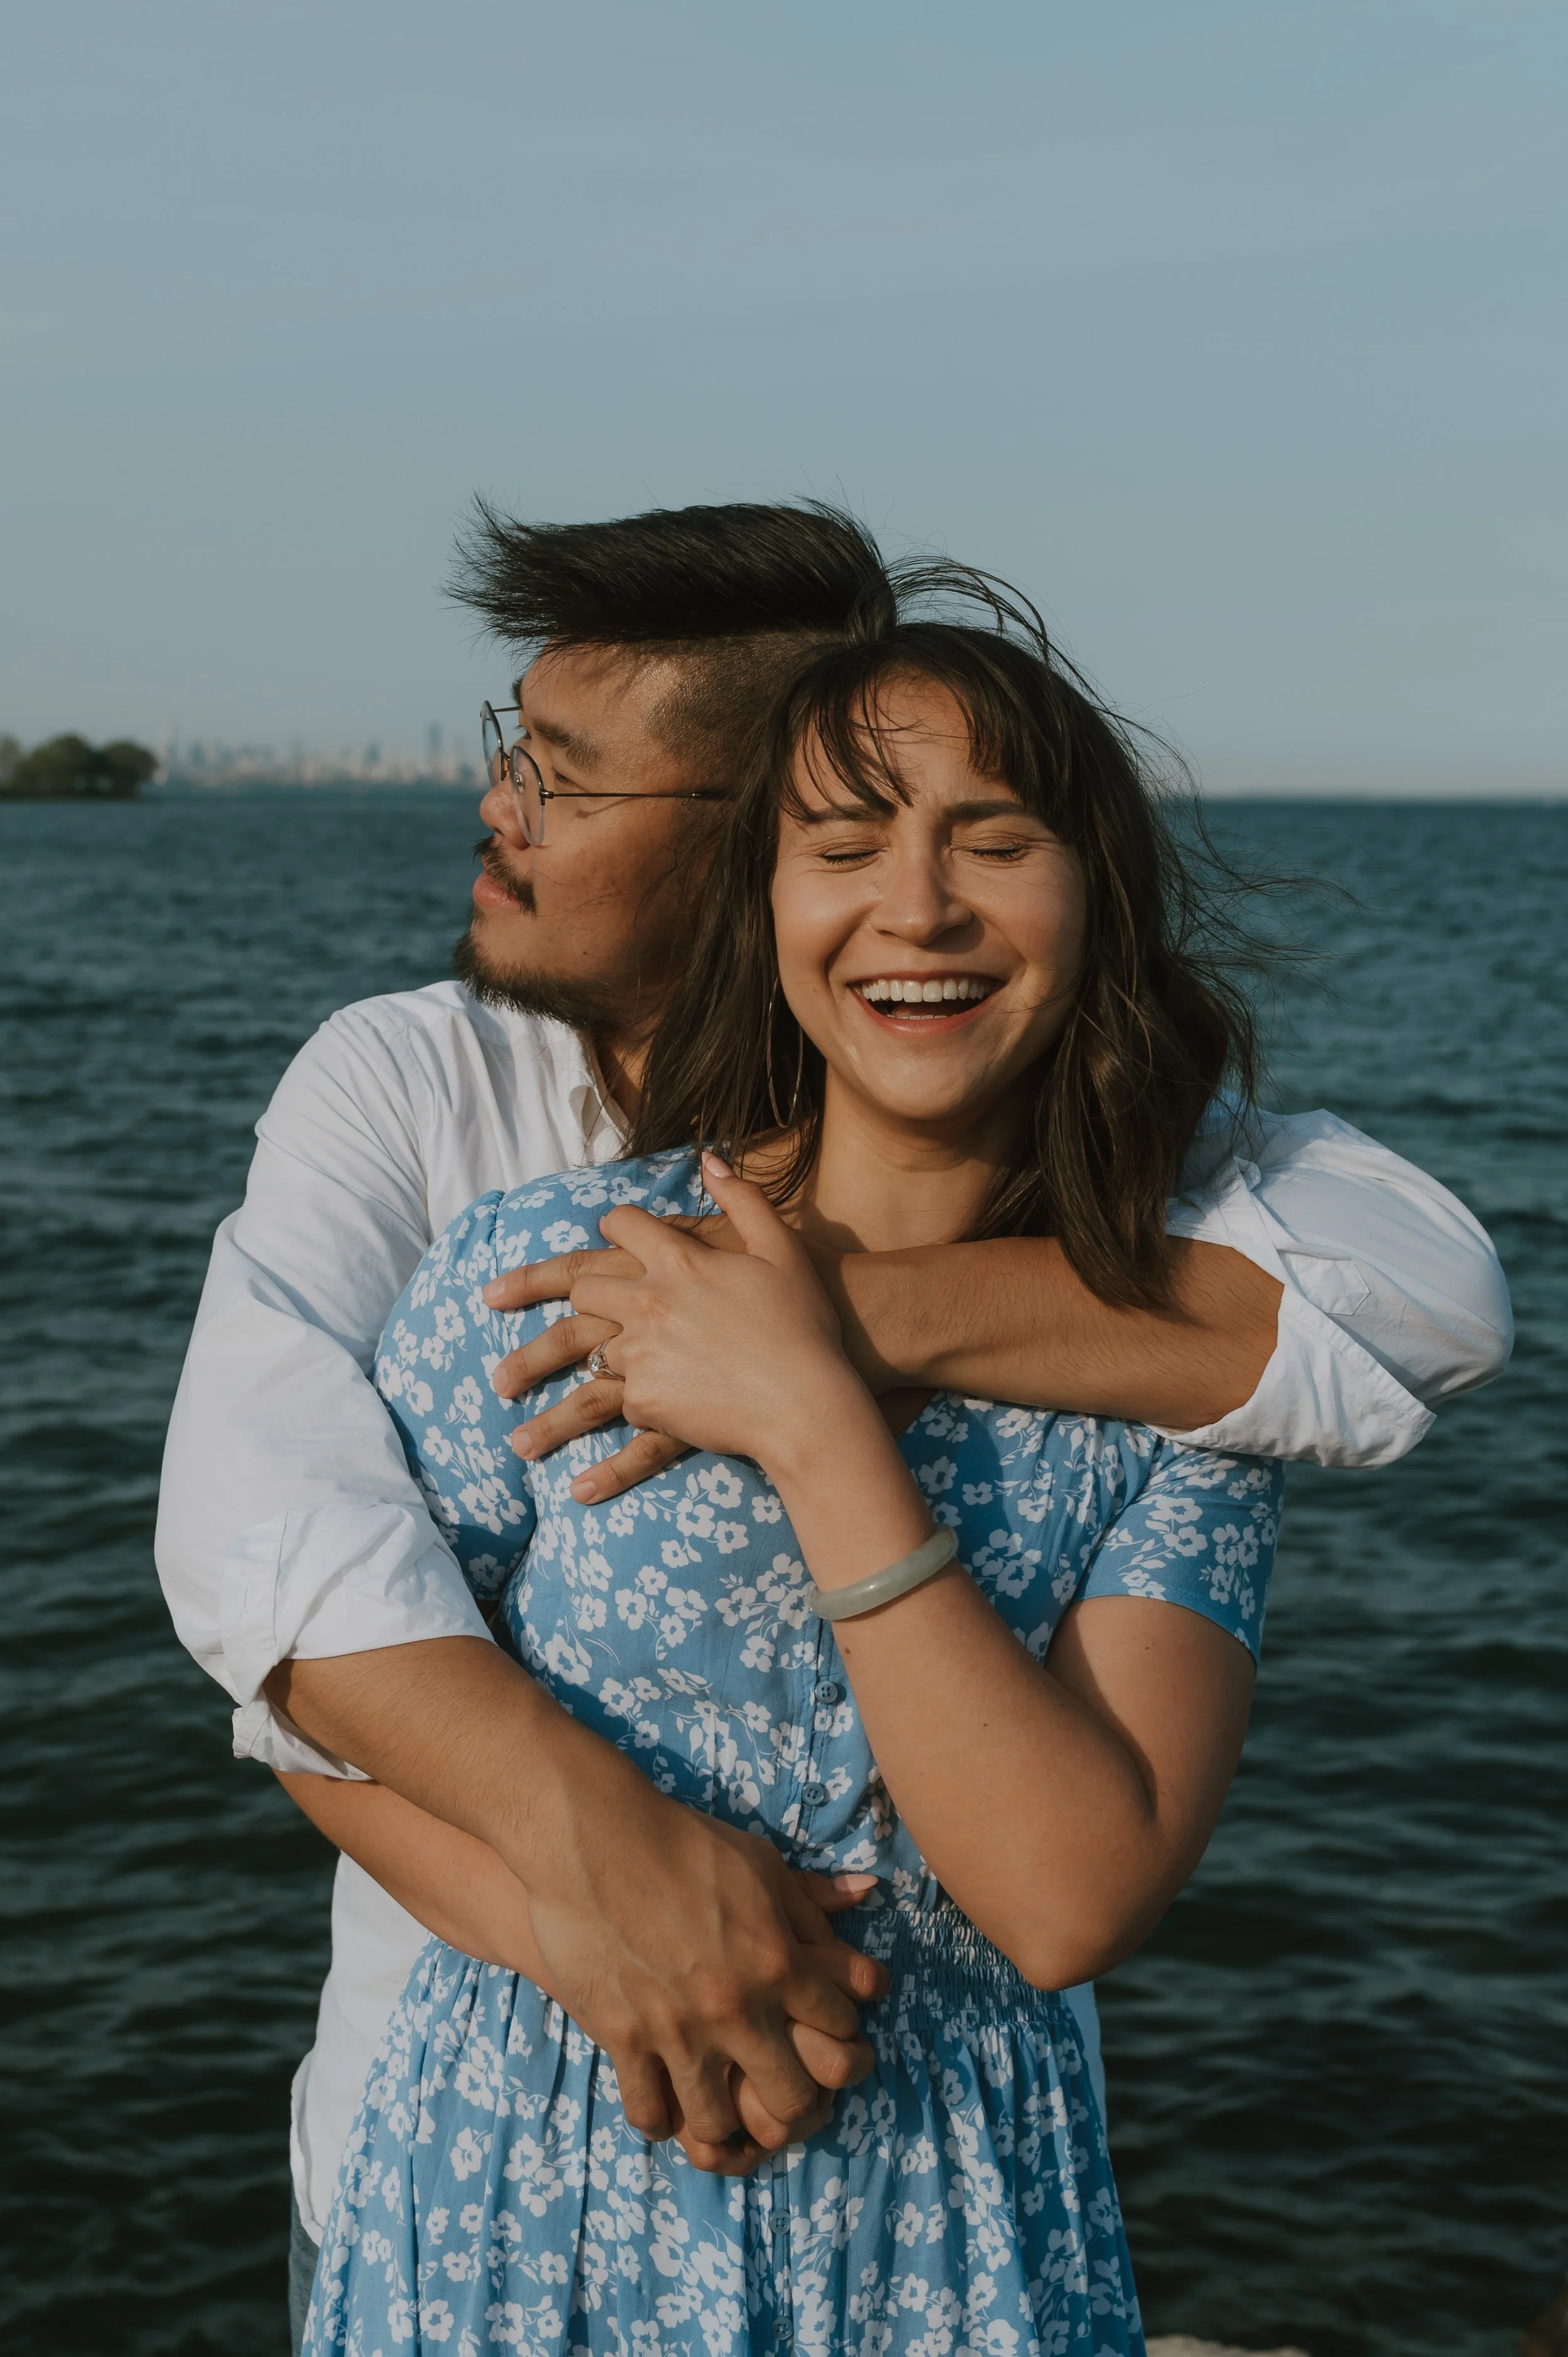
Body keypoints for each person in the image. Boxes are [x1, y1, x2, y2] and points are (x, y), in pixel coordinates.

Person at [152, 504, 1511, 2350]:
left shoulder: (1167, 1332)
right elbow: (285, 1628)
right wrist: (607, 1920)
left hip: (943, 2228)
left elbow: (1427, 1308)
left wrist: (816, 1372)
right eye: (849, 838)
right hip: (502, 2170)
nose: (499, 813)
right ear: (768, 879)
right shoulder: (479, 1172)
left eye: (559, 778)